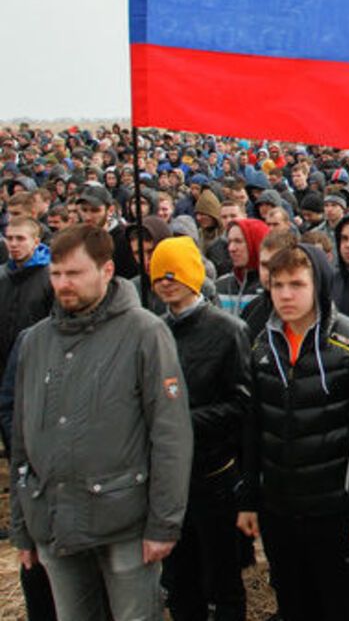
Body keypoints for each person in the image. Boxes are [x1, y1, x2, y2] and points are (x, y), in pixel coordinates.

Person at [10, 224, 193, 620]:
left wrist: (164, 523)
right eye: (56, 274)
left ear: (106, 271)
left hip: (124, 520)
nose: (63, 284)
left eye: (74, 273)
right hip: (55, 517)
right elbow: (23, 438)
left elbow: (170, 434)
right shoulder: (36, 341)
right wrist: (22, 525)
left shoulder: (145, 333)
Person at [237, 242, 349, 621]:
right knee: (294, 604)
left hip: (337, 509)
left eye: (297, 284)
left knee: (345, 607)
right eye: (277, 286)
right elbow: (253, 425)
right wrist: (248, 497)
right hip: (281, 510)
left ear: (318, 285)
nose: (286, 295)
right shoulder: (262, 345)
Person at [149, 236, 251, 621]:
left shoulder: (228, 331)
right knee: (179, 578)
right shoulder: (152, 330)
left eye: (174, 274)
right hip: (169, 479)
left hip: (214, 473)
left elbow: (242, 403)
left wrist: (182, 422)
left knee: (223, 576)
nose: (166, 282)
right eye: (159, 275)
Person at [0, 215, 52, 378]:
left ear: (36, 242)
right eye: (10, 238)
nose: (14, 244)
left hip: (36, 361)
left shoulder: (51, 277)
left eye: (20, 238)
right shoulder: (2, 275)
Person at [214, 218, 269, 316]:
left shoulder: (271, 287)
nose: (231, 248)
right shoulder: (220, 286)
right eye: (229, 242)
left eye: (238, 241)